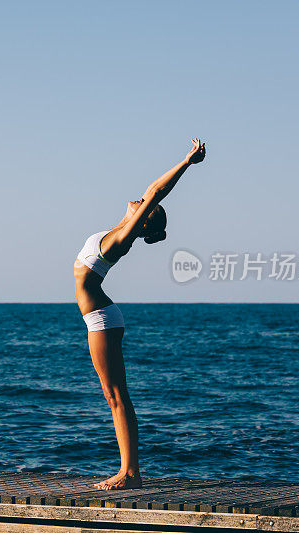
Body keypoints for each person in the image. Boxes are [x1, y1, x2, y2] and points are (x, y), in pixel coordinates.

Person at [74, 139, 206, 490]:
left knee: (115, 393)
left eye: (144, 204)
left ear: (144, 217)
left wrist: (188, 162)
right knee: (113, 392)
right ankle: (129, 470)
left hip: (102, 319)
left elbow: (157, 192)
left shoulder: (121, 239)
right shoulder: (120, 227)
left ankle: (130, 473)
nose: (139, 196)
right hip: (100, 317)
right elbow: (151, 190)